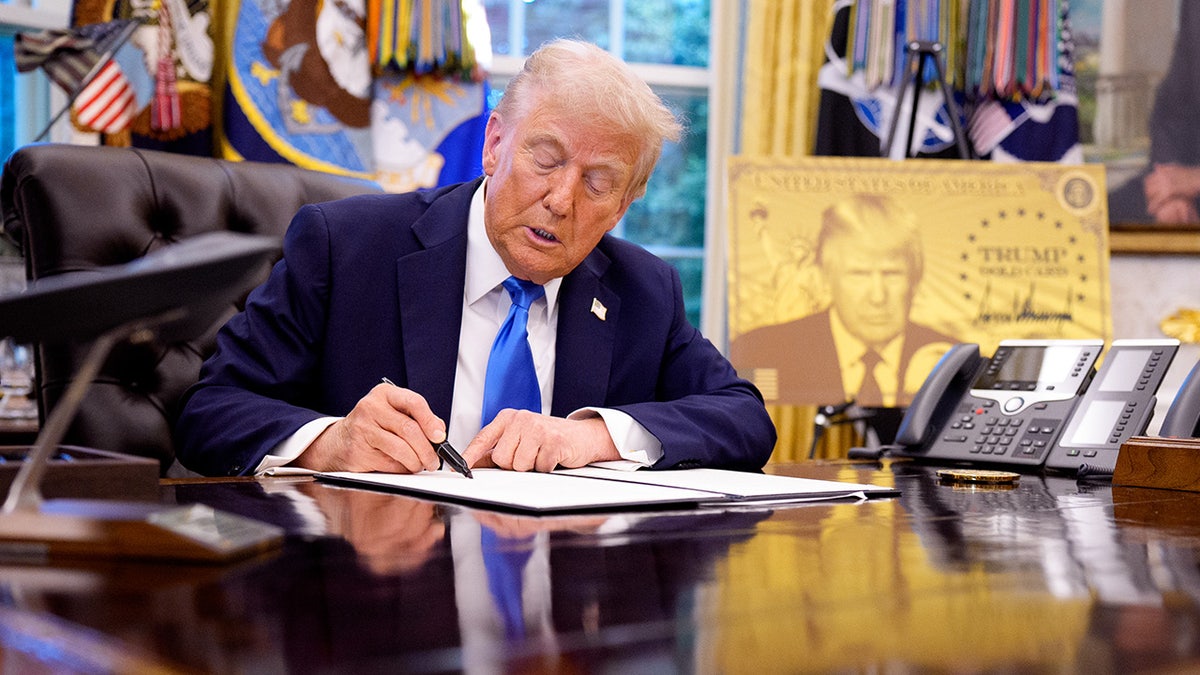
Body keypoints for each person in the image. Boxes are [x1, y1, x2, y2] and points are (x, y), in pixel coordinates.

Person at [174, 39, 776, 477]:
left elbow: (744, 418)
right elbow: (210, 411)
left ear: (623, 204)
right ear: (494, 145)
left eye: (598, 182)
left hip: (562, 615)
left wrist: (592, 436)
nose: (561, 200)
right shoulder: (346, 247)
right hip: (378, 599)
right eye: (546, 159)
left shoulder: (644, 290)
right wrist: (327, 443)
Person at [729, 193, 953, 412]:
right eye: (859, 274)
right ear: (827, 277)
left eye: (892, 273)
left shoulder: (952, 361)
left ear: (915, 278)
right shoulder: (763, 349)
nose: (877, 296)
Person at [1107, 2, 1200, 227]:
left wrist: (1192, 181)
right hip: (1184, 179)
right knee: (1094, 219)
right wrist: (1168, 191)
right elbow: (1172, 109)